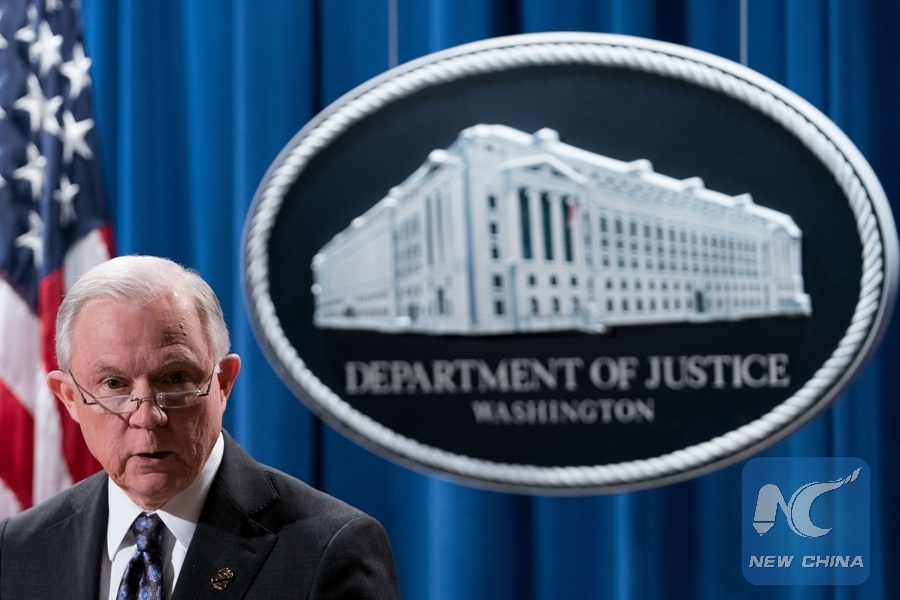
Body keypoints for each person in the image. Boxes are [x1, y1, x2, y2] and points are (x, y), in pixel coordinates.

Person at [0, 255, 400, 599]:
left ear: (222, 383)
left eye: (175, 378)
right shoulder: (18, 549)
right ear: (70, 398)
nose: (147, 417)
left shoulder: (328, 550)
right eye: (114, 385)